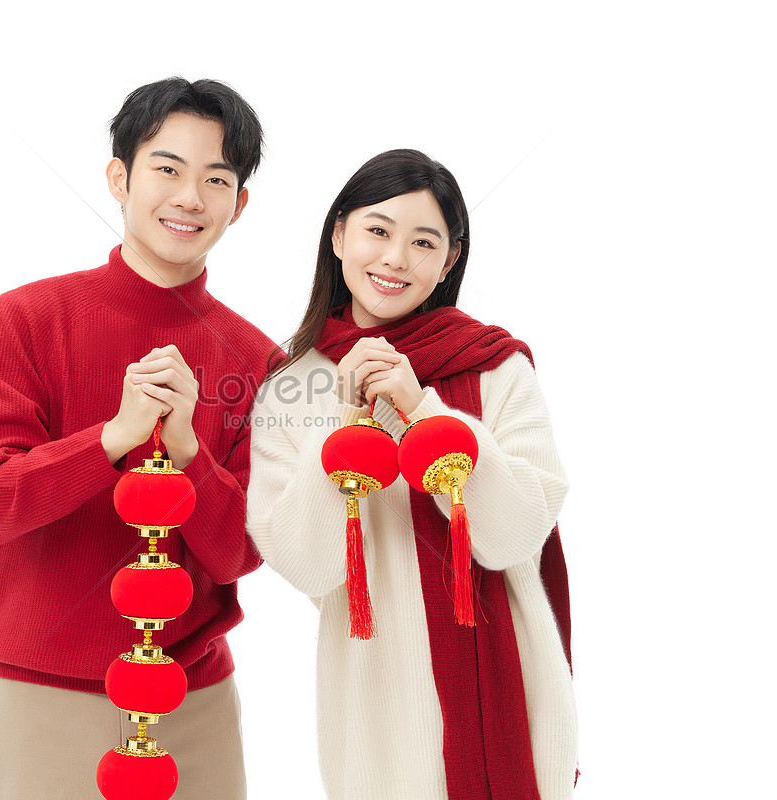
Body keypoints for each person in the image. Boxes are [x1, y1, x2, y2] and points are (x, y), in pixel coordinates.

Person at [0, 77, 279, 800]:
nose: (189, 197)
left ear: (240, 204)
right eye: (166, 168)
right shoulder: (25, 320)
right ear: (118, 178)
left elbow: (239, 553)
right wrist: (114, 437)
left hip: (195, 704)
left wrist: (190, 453)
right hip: (49, 696)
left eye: (215, 179)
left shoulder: (259, 361)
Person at [246, 149, 578, 799]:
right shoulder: (289, 389)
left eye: (423, 242)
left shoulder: (496, 368)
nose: (396, 258)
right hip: (376, 702)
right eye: (377, 230)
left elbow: (513, 538)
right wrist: (344, 422)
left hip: (513, 688)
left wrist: (423, 409)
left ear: (449, 260)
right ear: (338, 235)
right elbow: (308, 566)